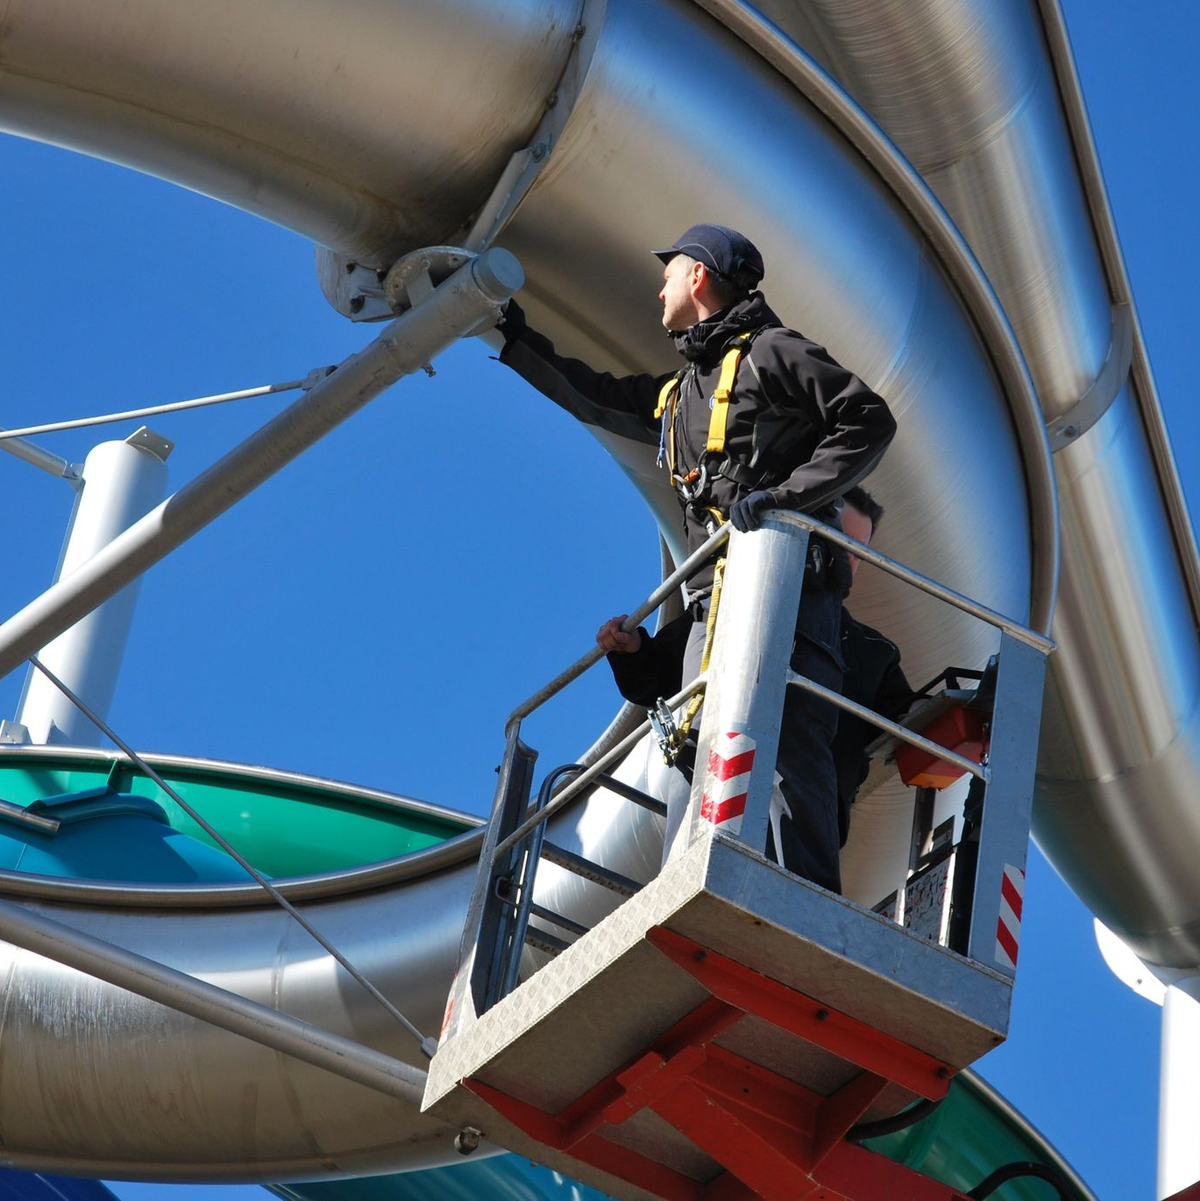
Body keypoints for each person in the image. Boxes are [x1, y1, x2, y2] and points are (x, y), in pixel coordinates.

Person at [498, 224, 896, 892]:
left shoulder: (773, 354)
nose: (660, 283)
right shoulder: (679, 396)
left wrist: (783, 499)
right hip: (715, 609)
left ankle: (800, 912)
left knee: (787, 754)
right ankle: (691, 895)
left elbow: (867, 418)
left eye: (670, 270)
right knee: (695, 744)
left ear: (701, 277)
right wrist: (511, 339)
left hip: (785, 601)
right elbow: (594, 393)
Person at [833, 485, 914, 846]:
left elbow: (905, 719)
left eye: (860, 550)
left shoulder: (873, 652)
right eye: (841, 539)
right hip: (723, 788)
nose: (851, 557)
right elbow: (660, 674)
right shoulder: (736, 599)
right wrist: (636, 650)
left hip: (819, 814)